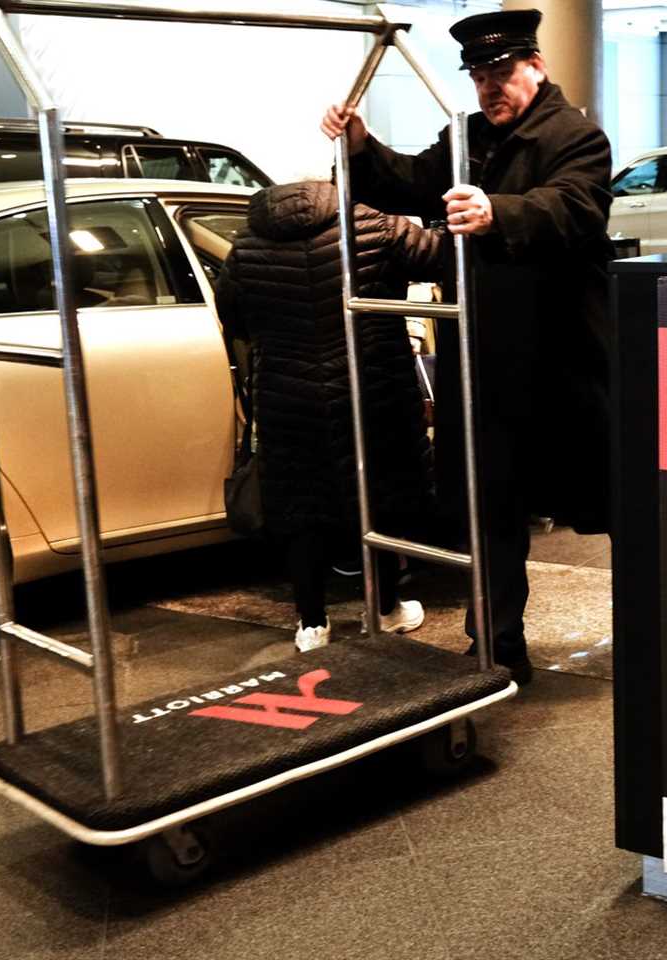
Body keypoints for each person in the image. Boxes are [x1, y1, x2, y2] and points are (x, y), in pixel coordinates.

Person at [320, 9, 614, 685]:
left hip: (562, 358)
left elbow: (572, 206)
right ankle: (496, 648)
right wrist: (363, 147)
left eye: (502, 72)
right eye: (480, 75)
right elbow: (407, 183)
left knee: (607, 503)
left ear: (535, 67)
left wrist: (496, 211)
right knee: (491, 510)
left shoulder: (576, 136)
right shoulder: (466, 136)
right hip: (484, 360)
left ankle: (654, 631)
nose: (490, 88)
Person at [215, 180, 442, 652]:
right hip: (370, 386)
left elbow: (234, 318)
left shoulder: (246, 245)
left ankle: (312, 623)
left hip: (288, 395)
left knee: (301, 507)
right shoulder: (375, 225)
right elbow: (439, 256)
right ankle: (384, 609)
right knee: (378, 492)